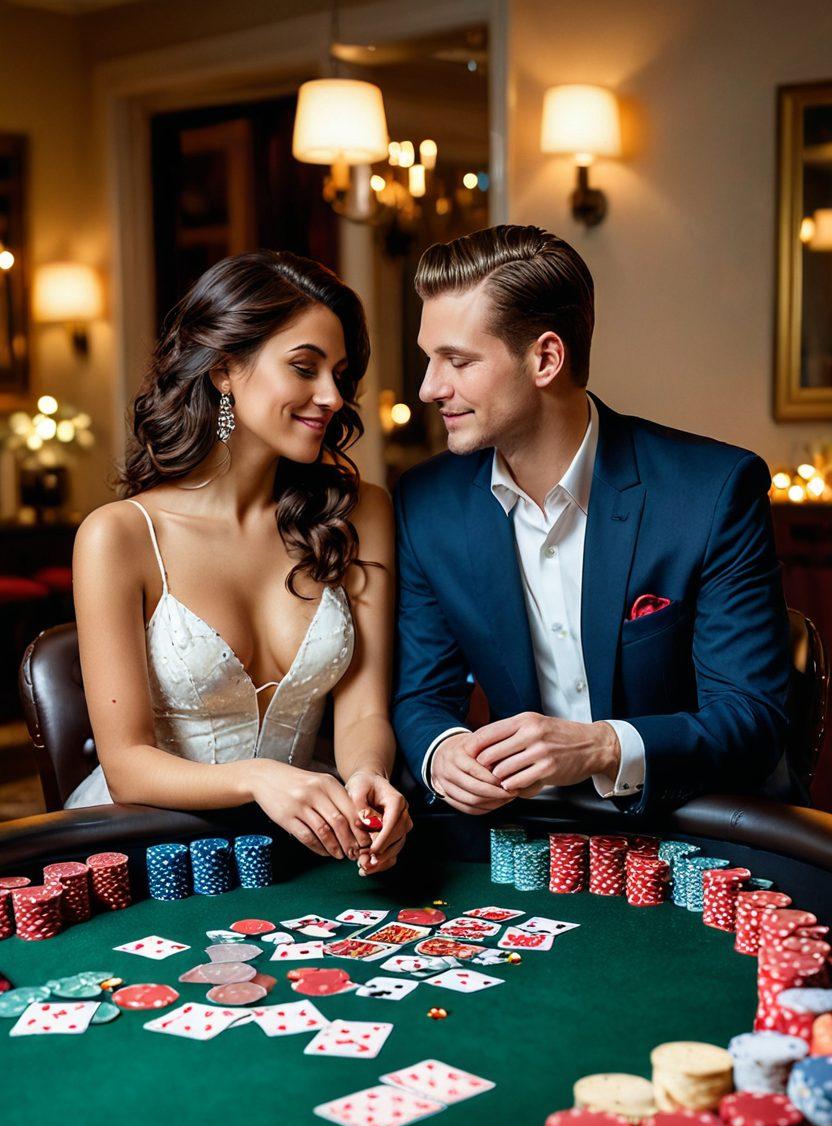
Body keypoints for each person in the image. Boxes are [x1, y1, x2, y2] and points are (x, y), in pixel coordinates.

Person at [392, 224, 794, 818]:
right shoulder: (427, 503)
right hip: (531, 834)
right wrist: (443, 750)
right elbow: (421, 695)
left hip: (701, 830)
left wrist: (604, 747)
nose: (429, 388)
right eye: (430, 359)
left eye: (457, 360)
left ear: (546, 358)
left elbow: (753, 718)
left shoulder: (712, 491)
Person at [67, 250, 412, 875]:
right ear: (226, 369)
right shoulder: (118, 537)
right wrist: (260, 779)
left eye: (340, 373)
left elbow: (364, 711)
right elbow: (126, 764)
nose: (332, 395)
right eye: (304, 368)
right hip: (153, 848)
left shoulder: (362, 513)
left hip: (308, 839)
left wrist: (366, 777)